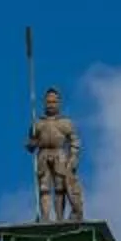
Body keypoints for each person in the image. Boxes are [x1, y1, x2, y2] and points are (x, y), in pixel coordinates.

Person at [27, 86, 83, 221]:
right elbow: (31, 142)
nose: (51, 105)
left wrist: (73, 156)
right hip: (43, 155)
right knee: (44, 188)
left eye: (53, 102)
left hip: (60, 154)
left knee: (60, 188)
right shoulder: (38, 123)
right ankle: (45, 218)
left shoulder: (66, 122)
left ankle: (59, 218)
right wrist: (32, 144)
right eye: (48, 102)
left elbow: (74, 140)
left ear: (58, 103)